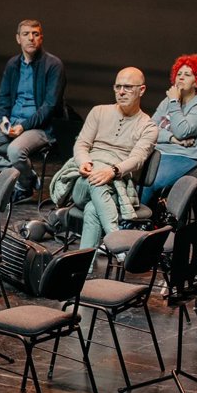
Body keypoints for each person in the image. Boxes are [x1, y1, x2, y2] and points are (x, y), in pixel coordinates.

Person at [0, 19, 65, 201]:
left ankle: (23, 185)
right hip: (13, 122)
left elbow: (50, 106)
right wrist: (2, 120)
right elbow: (3, 98)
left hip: (41, 127)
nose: (31, 38)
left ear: (41, 38)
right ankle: (25, 176)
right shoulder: (13, 64)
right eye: (26, 34)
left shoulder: (53, 65)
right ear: (18, 39)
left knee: (15, 150)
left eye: (35, 34)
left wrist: (23, 126)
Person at [68, 67, 158, 253]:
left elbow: (137, 159)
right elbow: (82, 144)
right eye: (118, 87)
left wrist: (113, 171)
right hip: (84, 183)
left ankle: (83, 266)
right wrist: (84, 161)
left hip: (117, 187)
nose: (121, 92)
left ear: (141, 90)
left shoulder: (148, 126)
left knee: (93, 210)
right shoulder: (99, 112)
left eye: (128, 87)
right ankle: (120, 247)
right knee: (96, 180)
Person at [138, 53, 197, 206]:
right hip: (159, 152)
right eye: (179, 74)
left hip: (185, 157)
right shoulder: (167, 101)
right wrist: (173, 139)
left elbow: (182, 131)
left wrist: (174, 101)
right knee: (130, 171)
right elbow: (149, 130)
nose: (181, 77)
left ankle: (134, 217)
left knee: (150, 181)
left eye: (187, 74)